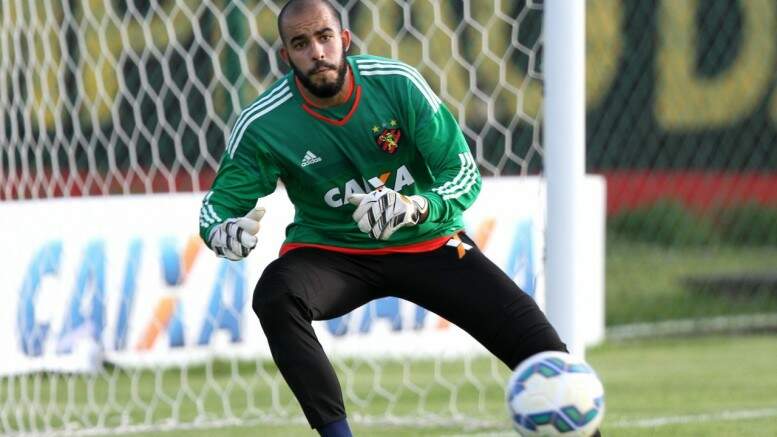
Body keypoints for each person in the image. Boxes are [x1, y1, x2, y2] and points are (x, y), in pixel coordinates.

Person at [198, 1, 568, 435]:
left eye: (324, 37)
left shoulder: (397, 84)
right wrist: (221, 231)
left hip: (429, 242)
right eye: (300, 44)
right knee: (276, 294)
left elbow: (462, 172)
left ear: (344, 40)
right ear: (286, 56)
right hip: (332, 253)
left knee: (545, 354)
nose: (316, 52)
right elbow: (218, 207)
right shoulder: (264, 122)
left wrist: (416, 206)